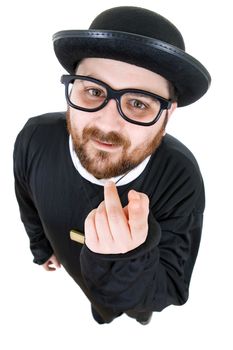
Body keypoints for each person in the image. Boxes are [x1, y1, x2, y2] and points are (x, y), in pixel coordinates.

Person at [13, 6, 211, 325]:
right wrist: (42, 249)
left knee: (113, 316)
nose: (107, 123)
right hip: (70, 269)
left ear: (167, 114)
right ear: (71, 90)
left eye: (138, 103)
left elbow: (169, 288)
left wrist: (128, 257)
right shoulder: (35, 137)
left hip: (131, 301)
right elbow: (27, 201)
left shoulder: (180, 176)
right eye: (94, 91)